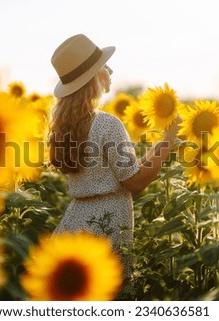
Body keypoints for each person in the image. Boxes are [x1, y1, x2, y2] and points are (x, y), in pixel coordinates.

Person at [49, 34, 181, 296]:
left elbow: (125, 172)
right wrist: (167, 142)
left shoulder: (64, 127)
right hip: (106, 224)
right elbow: (135, 181)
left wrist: (154, 150)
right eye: (106, 68)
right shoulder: (107, 124)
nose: (111, 73)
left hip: (75, 221)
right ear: (95, 77)